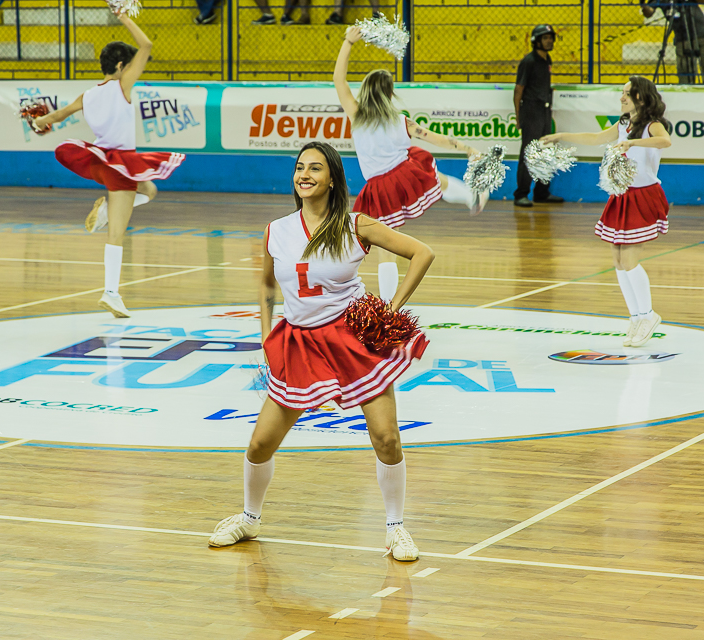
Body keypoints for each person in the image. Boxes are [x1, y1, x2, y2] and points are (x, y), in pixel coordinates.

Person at [208, 141, 435, 562]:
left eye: (315, 168)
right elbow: (267, 284)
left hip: (352, 342)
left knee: (386, 438)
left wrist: (391, 309)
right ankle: (250, 518)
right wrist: (266, 334)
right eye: (300, 168)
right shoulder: (276, 230)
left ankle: (395, 528)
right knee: (260, 444)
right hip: (299, 343)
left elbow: (422, 253)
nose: (305, 175)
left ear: (332, 179)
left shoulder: (356, 225)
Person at [32, 3, 184, 318]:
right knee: (116, 233)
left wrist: (37, 122)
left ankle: (105, 211)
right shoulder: (122, 86)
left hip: (100, 161)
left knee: (150, 190)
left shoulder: (88, 95)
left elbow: (55, 117)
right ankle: (111, 292)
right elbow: (147, 45)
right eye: (129, 66)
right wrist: (122, 16)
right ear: (120, 66)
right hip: (120, 164)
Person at [335, 25, 487, 302]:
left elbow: (339, 80)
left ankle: (388, 305)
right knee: (436, 180)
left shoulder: (356, 115)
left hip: (379, 187)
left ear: (365, 91)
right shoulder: (401, 121)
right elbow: (438, 139)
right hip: (403, 175)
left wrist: (348, 42)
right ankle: (471, 197)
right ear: (390, 93)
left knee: (386, 248)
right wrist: (467, 148)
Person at [541, 76, 672, 348]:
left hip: (643, 196)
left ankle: (649, 315)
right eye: (621, 93)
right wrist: (561, 136)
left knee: (630, 260)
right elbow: (595, 138)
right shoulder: (624, 123)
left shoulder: (652, 125)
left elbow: (665, 142)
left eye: (626, 93)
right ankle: (636, 316)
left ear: (640, 97)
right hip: (622, 195)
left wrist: (632, 144)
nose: (621, 98)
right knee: (618, 260)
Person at [513, 24, 564, 208]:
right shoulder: (529, 61)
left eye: (551, 37)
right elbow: (518, 90)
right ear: (536, 41)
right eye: (545, 38)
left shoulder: (546, 60)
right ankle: (521, 194)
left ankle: (541, 192)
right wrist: (519, 117)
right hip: (531, 111)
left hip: (544, 110)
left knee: (545, 151)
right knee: (529, 152)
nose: (549, 41)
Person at [640, 0, 704, 84]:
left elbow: (703, 1)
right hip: (682, 38)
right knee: (685, 79)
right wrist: (643, 5)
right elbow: (648, 12)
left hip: (703, 35)